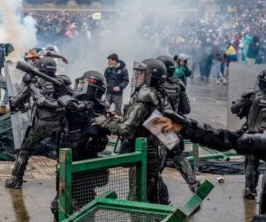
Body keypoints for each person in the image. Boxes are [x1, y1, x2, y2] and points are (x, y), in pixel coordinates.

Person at [95, 58, 171, 204]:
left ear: (150, 77)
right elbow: (144, 123)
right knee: (151, 193)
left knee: (136, 198)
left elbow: (126, 130)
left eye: (141, 74)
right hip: (155, 151)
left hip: (145, 154)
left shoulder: (145, 96)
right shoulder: (157, 94)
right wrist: (119, 118)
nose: (137, 76)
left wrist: (103, 122)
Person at [5, 56, 73, 189]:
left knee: (24, 151)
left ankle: (16, 180)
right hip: (60, 124)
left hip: (42, 124)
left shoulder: (35, 83)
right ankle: (63, 184)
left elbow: (15, 102)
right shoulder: (61, 81)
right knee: (62, 155)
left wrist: (26, 88)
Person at [51, 70, 110, 220]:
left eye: (84, 84)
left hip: (76, 163)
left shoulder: (84, 107)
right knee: (82, 203)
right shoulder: (97, 107)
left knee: (68, 205)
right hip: (80, 164)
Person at [156, 55, 200, 193]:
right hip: (174, 127)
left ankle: (158, 196)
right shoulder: (179, 84)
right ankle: (195, 185)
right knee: (179, 157)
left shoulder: (155, 84)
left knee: (155, 168)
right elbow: (186, 109)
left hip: (157, 128)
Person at [230, 69, 266, 199]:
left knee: (251, 164)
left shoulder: (252, 95)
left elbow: (234, 109)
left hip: (253, 136)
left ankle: (250, 191)